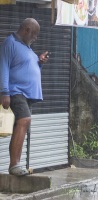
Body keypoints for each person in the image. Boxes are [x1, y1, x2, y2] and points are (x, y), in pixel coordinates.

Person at [0, 18, 49, 176]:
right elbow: (3, 67)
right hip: (15, 91)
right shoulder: (10, 43)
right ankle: (15, 165)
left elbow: (28, 66)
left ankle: (15, 164)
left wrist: (39, 61)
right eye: (34, 34)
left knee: (19, 128)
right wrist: (4, 92)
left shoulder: (27, 48)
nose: (36, 38)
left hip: (26, 94)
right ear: (27, 30)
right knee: (24, 120)